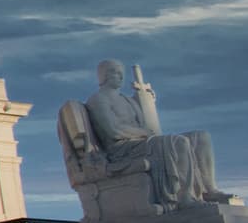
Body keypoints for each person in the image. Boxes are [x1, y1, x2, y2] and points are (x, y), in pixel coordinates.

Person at [84, 59, 233, 209]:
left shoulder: (127, 100)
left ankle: (209, 191)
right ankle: (184, 197)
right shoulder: (98, 99)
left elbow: (147, 124)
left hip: (141, 142)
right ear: (102, 75)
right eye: (114, 72)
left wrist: (147, 101)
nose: (120, 77)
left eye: (121, 73)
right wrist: (143, 133)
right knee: (178, 142)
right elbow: (113, 130)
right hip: (121, 149)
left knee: (201, 137)